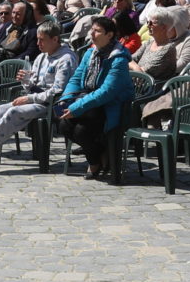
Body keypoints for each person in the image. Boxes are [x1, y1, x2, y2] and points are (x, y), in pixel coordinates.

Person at [0, 20, 75, 175]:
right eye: (37, 39)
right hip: (36, 99)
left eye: (42, 40)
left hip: (54, 104)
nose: (38, 43)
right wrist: (26, 81)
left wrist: (29, 98)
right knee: (0, 109)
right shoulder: (41, 57)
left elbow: (58, 90)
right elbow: (33, 85)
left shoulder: (66, 59)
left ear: (55, 39)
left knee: (13, 112)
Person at [54, 17, 136, 177]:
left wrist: (76, 108)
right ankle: (100, 155)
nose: (92, 33)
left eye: (97, 30)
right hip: (89, 103)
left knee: (80, 130)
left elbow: (106, 92)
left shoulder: (118, 59)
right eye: (92, 29)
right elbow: (77, 78)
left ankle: (94, 162)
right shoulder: (90, 53)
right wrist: (66, 99)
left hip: (111, 106)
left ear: (110, 35)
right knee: (63, 124)